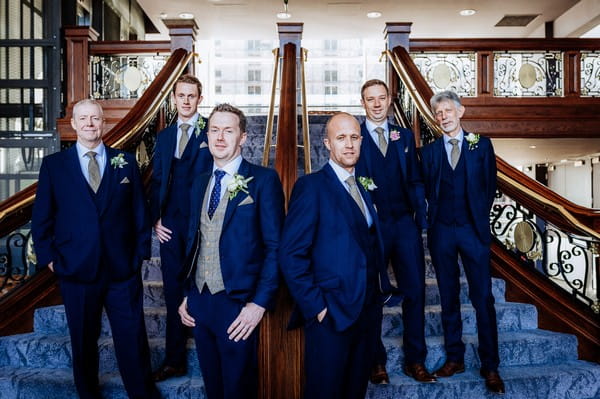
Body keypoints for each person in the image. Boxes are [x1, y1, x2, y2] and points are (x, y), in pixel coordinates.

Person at [31, 99, 160, 399]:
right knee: (83, 341)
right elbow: (42, 219)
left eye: (95, 118)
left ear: (104, 123)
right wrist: (51, 261)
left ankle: (142, 394)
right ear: (74, 124)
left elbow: (139, 213)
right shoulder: (54, 166)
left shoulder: (125, 162)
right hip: (76, 270)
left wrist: (139, 256)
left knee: (132, 338)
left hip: (122, 271)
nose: (90, 124)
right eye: (83, 119)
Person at [279, 112, 391, 399]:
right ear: (327, 143)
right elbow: (291, 254)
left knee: (354, 392)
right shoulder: (311, 187)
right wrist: (317, 306)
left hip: (367, 313)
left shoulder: (363, 187)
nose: (349, 144)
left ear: (361, 141)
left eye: (354, 137)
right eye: (341, 138)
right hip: (331, 315)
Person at [177, 103, 284, 399]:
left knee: (239, 389)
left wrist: (259, 304)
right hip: (200, 300)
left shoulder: (263, 180)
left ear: (243, 137)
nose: (220, 137)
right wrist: (188, 293)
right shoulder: (200, 182)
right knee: (213, 387)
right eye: (214, 130)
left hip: (238, 304)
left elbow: (276, 247)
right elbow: (194, 240)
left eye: (228, 130)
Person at [421, 90, 504, 394]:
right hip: (442, 231)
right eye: (438, 113)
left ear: (461, 111)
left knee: (483, 299)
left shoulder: (480, 145)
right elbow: (427, 189)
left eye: (448, 111)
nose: (443, 116)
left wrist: (477, 218)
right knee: (448, 298)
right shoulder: (428, 153)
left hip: (473, 231)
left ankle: (490, 365)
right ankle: (454, 358)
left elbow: (490, 185)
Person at [355, 79, 435, 384]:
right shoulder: (355, 134)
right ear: (362, 103)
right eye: (369, 99)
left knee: (415, 291)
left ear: (390, 99)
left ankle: (416, 361)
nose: (376, 104)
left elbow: (415, 179)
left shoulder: (403, 135)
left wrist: (419, 219)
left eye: (381, 98)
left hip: (404, 224)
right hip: (371, 225)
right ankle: (376, 361)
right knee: (372, 293)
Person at [149, 74, 212, 381]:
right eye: (181, 95)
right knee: (173, 291)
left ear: (200, 98)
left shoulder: (212, 130)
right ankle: (175, 359)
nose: (186, 100)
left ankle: (208, 356)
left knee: (201, 285)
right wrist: (155, 220)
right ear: (174, 98)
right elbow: (157, 180)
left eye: (192, 96)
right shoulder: (163, 137)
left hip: (202, 222)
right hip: (171, 224)